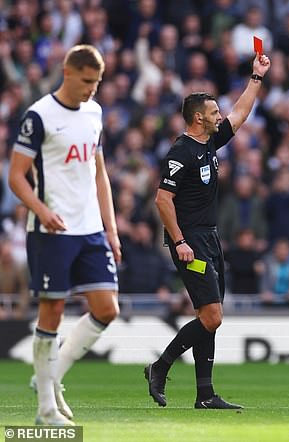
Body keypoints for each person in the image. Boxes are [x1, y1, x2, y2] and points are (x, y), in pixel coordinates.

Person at [145, 53, 270, 410]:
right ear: (198, 118)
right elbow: (162, 200)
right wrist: (180, 241)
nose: (221, 116)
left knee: (207, 318)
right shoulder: (181, 152)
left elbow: (241, 114)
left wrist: (256, 78)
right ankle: (160, 365)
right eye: (214, 113)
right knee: (213, 316)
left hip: (210, 238)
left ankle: (205, 394)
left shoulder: (209, 143)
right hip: (190, 242)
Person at [8, 44, 121, 425]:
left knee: (107, 308)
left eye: (98, 82)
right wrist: (41, 210)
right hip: (51, 229)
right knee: (52, 311)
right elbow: (16, 176)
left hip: (90, 229)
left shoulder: (94, 113)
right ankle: (45, 410)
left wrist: (112, 228)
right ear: (68, 73)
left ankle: (51, 376)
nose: (92, 89)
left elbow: (99, 172)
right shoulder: (39, 115)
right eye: (87, 81)